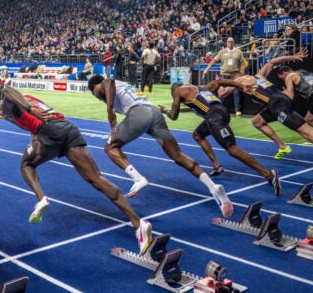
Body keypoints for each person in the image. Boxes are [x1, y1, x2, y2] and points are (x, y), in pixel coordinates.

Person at [0, 84, 153, 254]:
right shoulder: (27, 101)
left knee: (27, 165)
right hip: (67, 128)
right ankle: (138, 225)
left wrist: (17, 107)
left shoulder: (9, 101)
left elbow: (7, 91)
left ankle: (41, 199)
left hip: (49, 132)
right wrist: (8, 116)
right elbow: (25, 118)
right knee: (97, 179)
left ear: (3, 103)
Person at [87, 75, 234, 215]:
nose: (97, 96)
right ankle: (213, 187)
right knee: (177, 154)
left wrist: (110, 112)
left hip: (140, 113)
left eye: (95, 93)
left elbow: (108, 83)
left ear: (96, 86)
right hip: (154, 113)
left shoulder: (108, 83)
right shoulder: (123, 86)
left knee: (110, 147)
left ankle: (138, 179)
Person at [225, 53, 313, 180]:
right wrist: (294, 57)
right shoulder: (258, 76)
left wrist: (219, 82)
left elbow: (223, 93)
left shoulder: (238, 80)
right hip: (277, 102)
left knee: (307, 133)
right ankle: (282, 146)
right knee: (257, 121)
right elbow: (272, 62)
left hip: (278, 105)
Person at [160, 80, 281, 196]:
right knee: (197, 135)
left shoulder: (178, 92)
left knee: (232, 149)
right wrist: (241, 86)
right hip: (221, 112)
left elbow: (174, 116)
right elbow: (220, 82)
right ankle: (217, 166)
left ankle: (269, 175)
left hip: (214, 116)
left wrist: (165, 110)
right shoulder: (200, 87)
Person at [202, 37, 248, 116]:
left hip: (235, 75)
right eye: (229, 42)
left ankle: (237, 110)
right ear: (226, 43)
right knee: (221, 93)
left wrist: (242, 75)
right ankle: (220, 109)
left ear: (234, 43)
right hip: (224, 75)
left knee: (236, 92)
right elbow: (214, 61)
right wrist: (207, 69)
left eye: (232, 42)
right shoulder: (222, 52)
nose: (230, 43)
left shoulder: (239, 52)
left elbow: (242, 63)